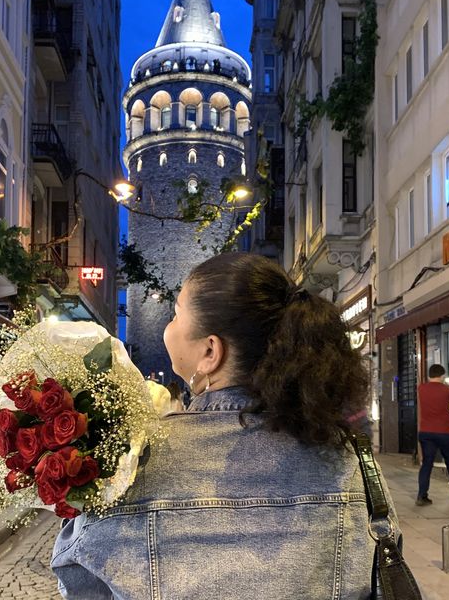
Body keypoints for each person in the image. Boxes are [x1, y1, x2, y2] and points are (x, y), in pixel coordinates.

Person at [52, 253, 397, 599]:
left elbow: (79, 577)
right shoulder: (350, 461)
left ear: (210, 352)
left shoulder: (132, 462)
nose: (168, 328)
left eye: (176, 314)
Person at [416, 364, 449, 505]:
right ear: (442, 375)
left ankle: (422, 496)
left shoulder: (421, 388)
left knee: (427, 463)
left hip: (426, 432)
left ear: (429, 375)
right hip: (445, 432)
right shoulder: (446, 389)